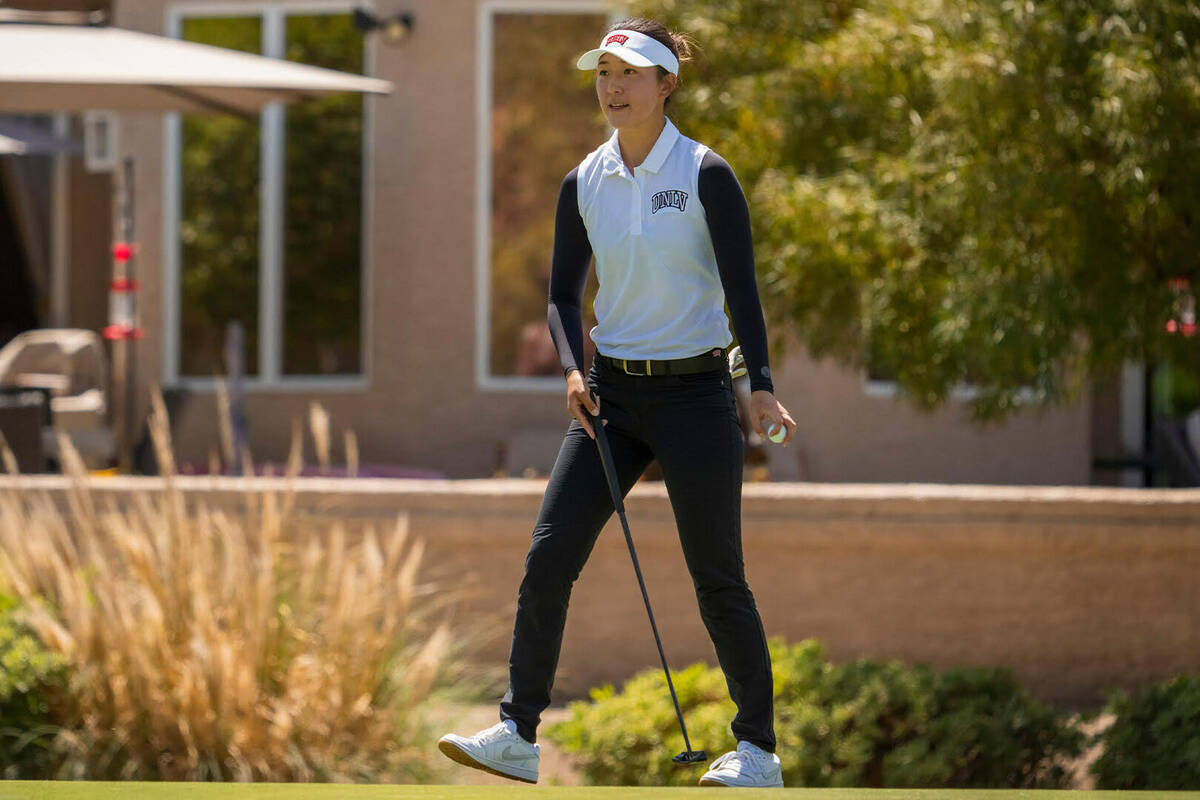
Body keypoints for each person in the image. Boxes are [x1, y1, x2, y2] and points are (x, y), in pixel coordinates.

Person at [439, 18, 795, 788]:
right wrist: (573, 370)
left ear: (667, 83)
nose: (612, 87)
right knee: (548, 558)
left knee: (717, 578)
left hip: (699, 397)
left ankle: (758, 751)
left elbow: (742, 290)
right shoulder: (585, 180)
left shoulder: (706, 173)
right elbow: (563, 299)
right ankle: (517, 733)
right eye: (603, 73)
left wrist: (759, 384)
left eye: (629, 73)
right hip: (612, 400)